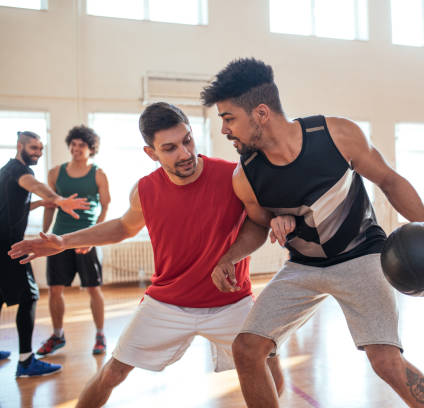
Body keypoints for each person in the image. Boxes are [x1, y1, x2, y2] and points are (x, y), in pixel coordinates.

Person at [201, 58, 424, 408]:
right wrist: (229, 257)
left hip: (362, 256)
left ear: (261, 113)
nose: (224, 130)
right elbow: (258, 224)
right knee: (247, 349)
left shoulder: (335, 135)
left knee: (385, 361)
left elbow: (389, 180)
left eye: (228, 118)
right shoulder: (245, 176)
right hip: (303, 267)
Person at [9, 102, 284, 407]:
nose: (184, 153)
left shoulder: (232, 176)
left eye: (187, 140)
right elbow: (123, 227)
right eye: (169, 148)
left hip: (231, 300)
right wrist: (63, 241)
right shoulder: (145, 190)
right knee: (112, 373)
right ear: (151, 153)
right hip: (167, 302)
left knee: (268, 364)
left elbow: (258, 223)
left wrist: (229, 257)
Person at [1, 130, 89, 377]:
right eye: (33, 149)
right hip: (9, 246)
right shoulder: (22, 172)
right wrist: (58, 199)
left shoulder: (6, 171)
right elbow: (37, 186)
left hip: (1, 243)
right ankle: (26, 361)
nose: (38, 153)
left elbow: (14, 203)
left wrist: (41, 204)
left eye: (40, 149)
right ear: (20, 146)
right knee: (29, 297)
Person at [35, 125, 111, 358]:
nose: (76, 149)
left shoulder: (98, 173)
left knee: (92, 289)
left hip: (86, 238)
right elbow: (50, 206)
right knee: (55, 290)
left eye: (82, 145)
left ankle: (100, 335)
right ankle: (58, 335)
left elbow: (105, 205)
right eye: (74, 144)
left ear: (91, 149)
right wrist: (44, 234)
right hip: (59, 238)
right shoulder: (56, 173)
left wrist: (95, 236)